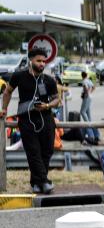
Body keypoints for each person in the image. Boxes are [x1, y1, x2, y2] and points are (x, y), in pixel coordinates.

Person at [0, 48, 61, 193]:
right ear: (31, 60)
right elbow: (7, 91)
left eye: (44, 61)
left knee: (47, 151)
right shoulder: (19, 76)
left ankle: (36, 182)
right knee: (33, 152)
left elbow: (57, 100)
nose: (42, 64)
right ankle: (44, 182)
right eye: (38, 61)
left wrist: (47, 105)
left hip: (46, 119)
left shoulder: (48, 80)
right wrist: (4, 109)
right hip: (26, 120)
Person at [78, 71, 102, 145]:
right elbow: (94, 87)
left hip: (86, 97)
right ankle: (93, 131)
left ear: (82, 76)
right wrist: (90, 92)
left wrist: (85, 93)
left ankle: (89, 127)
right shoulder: (89, 80)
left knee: (82, 112)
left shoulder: (84, 81)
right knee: (88, 113)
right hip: (90, 97)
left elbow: (85, 87)